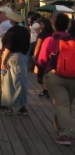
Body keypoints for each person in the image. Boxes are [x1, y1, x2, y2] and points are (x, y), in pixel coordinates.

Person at [37, 13, 75, 146]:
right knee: (66, 104)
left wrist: (40, 76)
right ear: (67, 26)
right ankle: (60, 127)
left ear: (54, 25)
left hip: (55, 76)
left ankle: (65, 134)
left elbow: (42, 60)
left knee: (61, 105)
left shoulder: (50, 40)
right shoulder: (73, 40)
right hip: (73, 76)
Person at [0, 8, 30, 115]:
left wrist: (3, 61)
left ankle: (9, 107)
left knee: (9, 82)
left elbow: (8, 47)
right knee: (22, 82)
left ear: (12, 20)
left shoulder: (11, 31)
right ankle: (23, 106)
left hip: (12, 57)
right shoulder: (25, 31)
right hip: (22, 56)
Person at [34, 17, 54, 97]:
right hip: (51, 56)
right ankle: (48, 90)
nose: (40, 26)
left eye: (41, 24)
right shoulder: (53, 33)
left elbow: (38, 45)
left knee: (40, 75)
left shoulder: (42, 34)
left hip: (42, 56)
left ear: (46, 25)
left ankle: (46, 90)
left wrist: (35, 55)